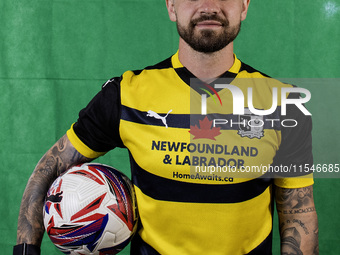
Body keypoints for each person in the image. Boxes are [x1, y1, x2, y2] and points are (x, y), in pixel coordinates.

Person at [14, 0, 319, 254]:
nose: (208, 6)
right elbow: (49, 168)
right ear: (172, 7)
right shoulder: (127, 95)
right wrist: (26, 250)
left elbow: (297, 214)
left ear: (244, 6)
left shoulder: (282, 104)